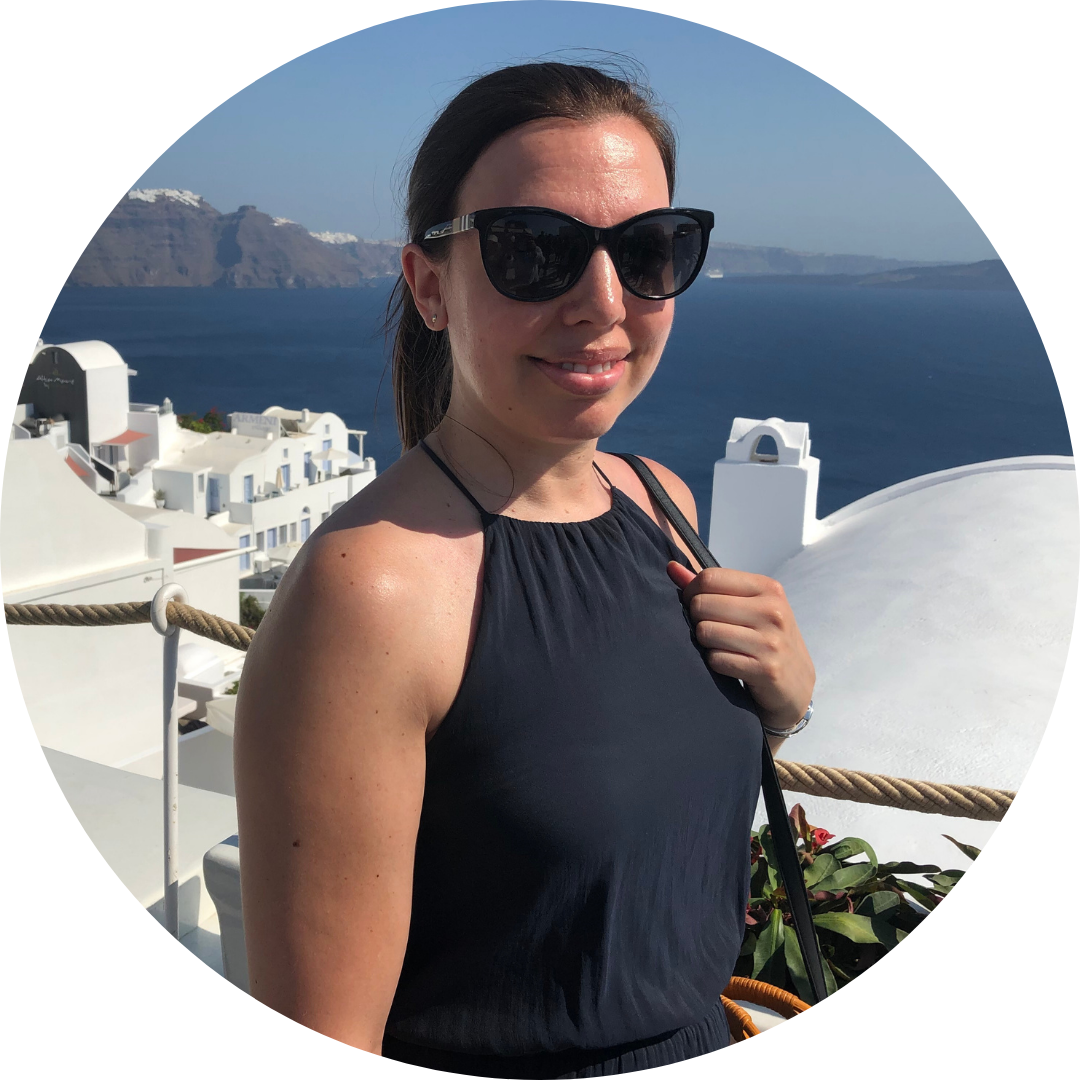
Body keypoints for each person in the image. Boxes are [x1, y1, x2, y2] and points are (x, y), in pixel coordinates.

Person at [234, 61, 815, 1077]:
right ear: (430, 286)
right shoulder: (373, 593)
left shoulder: (663, 503)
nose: (604, 303)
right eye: (534, 251)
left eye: (648, 249)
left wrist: (782, 708)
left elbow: (623, 793)